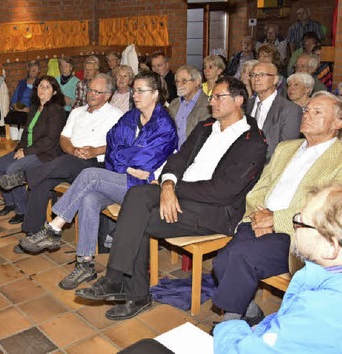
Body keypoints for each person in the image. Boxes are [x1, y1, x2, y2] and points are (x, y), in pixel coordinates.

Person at [75, 77, 267, 321]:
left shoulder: (253, 141)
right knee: (136, 195)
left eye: (219, 97)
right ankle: (117, 281)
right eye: (212, 97)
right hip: (179, 192)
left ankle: (129, 288)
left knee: (137, 219)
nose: (212, 102)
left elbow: (223, 191)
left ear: (239, 101)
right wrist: (167, 184)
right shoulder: (207, 126)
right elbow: (178, 159)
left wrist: (175, 190)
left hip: (213, 211)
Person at [19, 72, 177, 290]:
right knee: (90, 198)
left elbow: (144, 162)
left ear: (156, 94)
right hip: (124, 179)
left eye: (141, 91)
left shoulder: (164, 125)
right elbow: (112, 145)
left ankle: (53, 228)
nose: (135, 95)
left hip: (145, 188)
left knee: (90, 174)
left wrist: (128, 161)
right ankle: (85, 263)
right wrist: (128, 164)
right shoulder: (131, 117)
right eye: (134, 90)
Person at [211, 91, 342, 330]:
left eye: (317, 112)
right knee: (221, 262)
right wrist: (259, 216)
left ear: (337, 123)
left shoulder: (339, 159)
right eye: (306, 110)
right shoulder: (286, 147)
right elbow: (260, 187)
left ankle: (228, 327)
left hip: (302, 235)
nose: (307, 116)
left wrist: (276, 220)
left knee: (240, 258)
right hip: (259, 220)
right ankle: (250, 312)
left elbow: (329, 208)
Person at [214, 183, 342, 353]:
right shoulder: (318, 275)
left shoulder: (321, 309)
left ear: (330, 247)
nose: (294, 227)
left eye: (301, 223)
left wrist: (227, 328)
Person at [18, 74, 122, 238]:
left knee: (54, 166)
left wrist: (95, 150)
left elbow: (120, 146)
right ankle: (33, 232)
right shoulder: (77, 112)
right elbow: (63, 138)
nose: (92, 94)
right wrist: (73, 150)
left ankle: (25, 176)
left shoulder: (116, 115)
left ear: (108, 95)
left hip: (95, 166)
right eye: (90, 90)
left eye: (97, 91)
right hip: (70, 161)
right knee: (41, 182)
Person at [0, 76, 67, 224]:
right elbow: (26, 133)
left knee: (13, 169)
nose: (42, 89)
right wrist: (19, 149)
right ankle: (10, 203)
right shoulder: (34, 108)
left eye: (47, 87)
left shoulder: (56, 111)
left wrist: (25, 153)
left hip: (45, 154)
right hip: (28, 149)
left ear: (55, 92)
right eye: (40, 86)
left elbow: (50, 141)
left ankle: (23, 211)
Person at [247, 62, 302, 161]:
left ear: (275, 80)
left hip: (269, 168)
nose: (256, 79)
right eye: (253, 75)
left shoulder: (291, 110)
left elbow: (287, 150)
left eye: (262, 75)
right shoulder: (245, 105)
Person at [167, 65, 211, 149]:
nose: (179, 85)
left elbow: (203, 137)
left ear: (197, 82)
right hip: (173, 153)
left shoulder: (208, 104)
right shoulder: (174, 104)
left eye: (184, 81)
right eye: (177, 81)